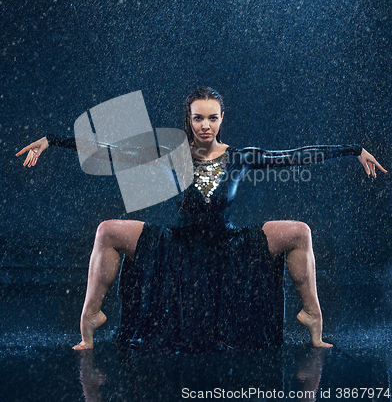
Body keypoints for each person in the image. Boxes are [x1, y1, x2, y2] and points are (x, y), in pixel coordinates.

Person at [16, 87, 387, 350]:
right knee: (107, 230)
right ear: (189, 120)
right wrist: (52, 140)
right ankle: (91, 318)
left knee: (299, 231)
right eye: (198, 118)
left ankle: (312, 316)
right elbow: (113, 152)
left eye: (212, 118)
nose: (205, 126)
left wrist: (353, 150)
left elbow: (295, 156)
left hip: (228, 246)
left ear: (222, 118)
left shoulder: (241, 156)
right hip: (179, 246)